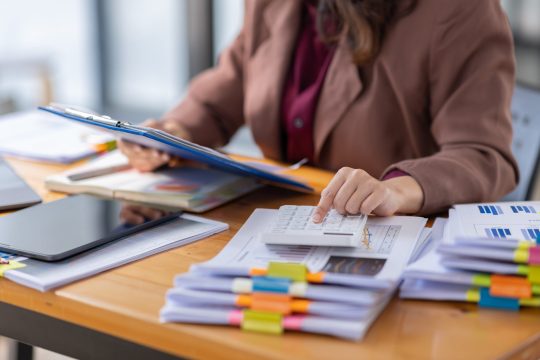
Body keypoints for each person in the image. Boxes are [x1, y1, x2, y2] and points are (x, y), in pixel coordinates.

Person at [119, 0, 518, 222]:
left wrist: (394, 189)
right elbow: (235, 78)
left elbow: (483, 154)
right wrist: (172, 133)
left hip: (385, 239)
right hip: (277, 229)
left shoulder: (459, 10)